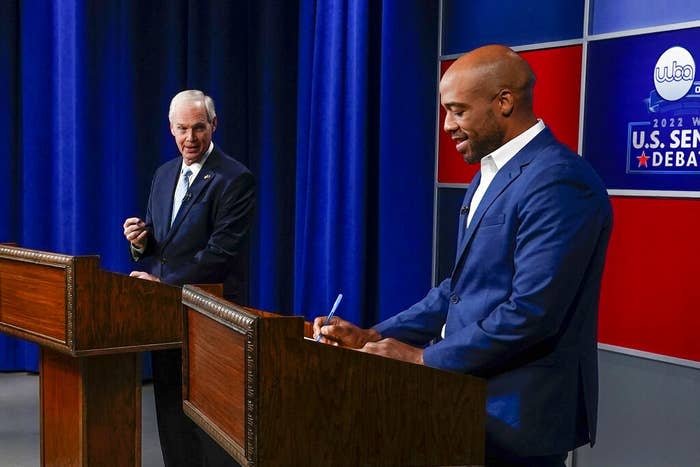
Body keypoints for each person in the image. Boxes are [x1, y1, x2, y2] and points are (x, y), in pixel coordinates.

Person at [313, 45, 612, 467]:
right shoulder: (490, 174)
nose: (448, 125)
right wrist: (374, 337)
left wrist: (421, 357)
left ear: (504, 102)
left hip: (518, 420)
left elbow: (533, 312)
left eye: (457, 111)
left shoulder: (559, 181)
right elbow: (458, 290)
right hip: (465, 406)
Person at [123, 89, 254, 466]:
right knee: (171, 415)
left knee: (211, 425)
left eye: (199, 128)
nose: (190, 138)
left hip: (212, 314)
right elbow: (160, 248)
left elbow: (219, 254)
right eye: (182, 129)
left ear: (214, 126)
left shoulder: (235, 179)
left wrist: (163, 286)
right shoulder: (164, 174)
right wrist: (139, 242)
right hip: (166, 316)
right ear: (170, 128)